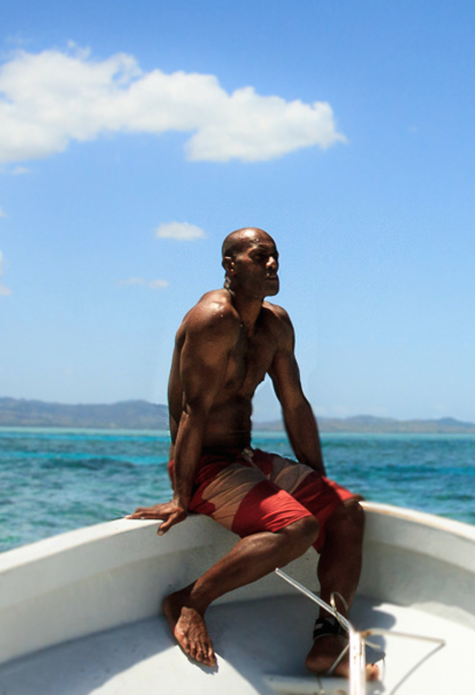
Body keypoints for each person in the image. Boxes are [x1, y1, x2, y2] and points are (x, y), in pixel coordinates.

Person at [128, 227, 377, 679]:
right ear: (230, 265)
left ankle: (329, 638)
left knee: (345, 512)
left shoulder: (275, 325)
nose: (272, 265)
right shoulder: (212, 320)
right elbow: (193, 411)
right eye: (260, 257)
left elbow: (294, 404)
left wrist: (319, 480)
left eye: (275, 256)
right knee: (297, 526)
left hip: (242, 455)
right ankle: (189, 601)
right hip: (203, 464)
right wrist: (182, 496)